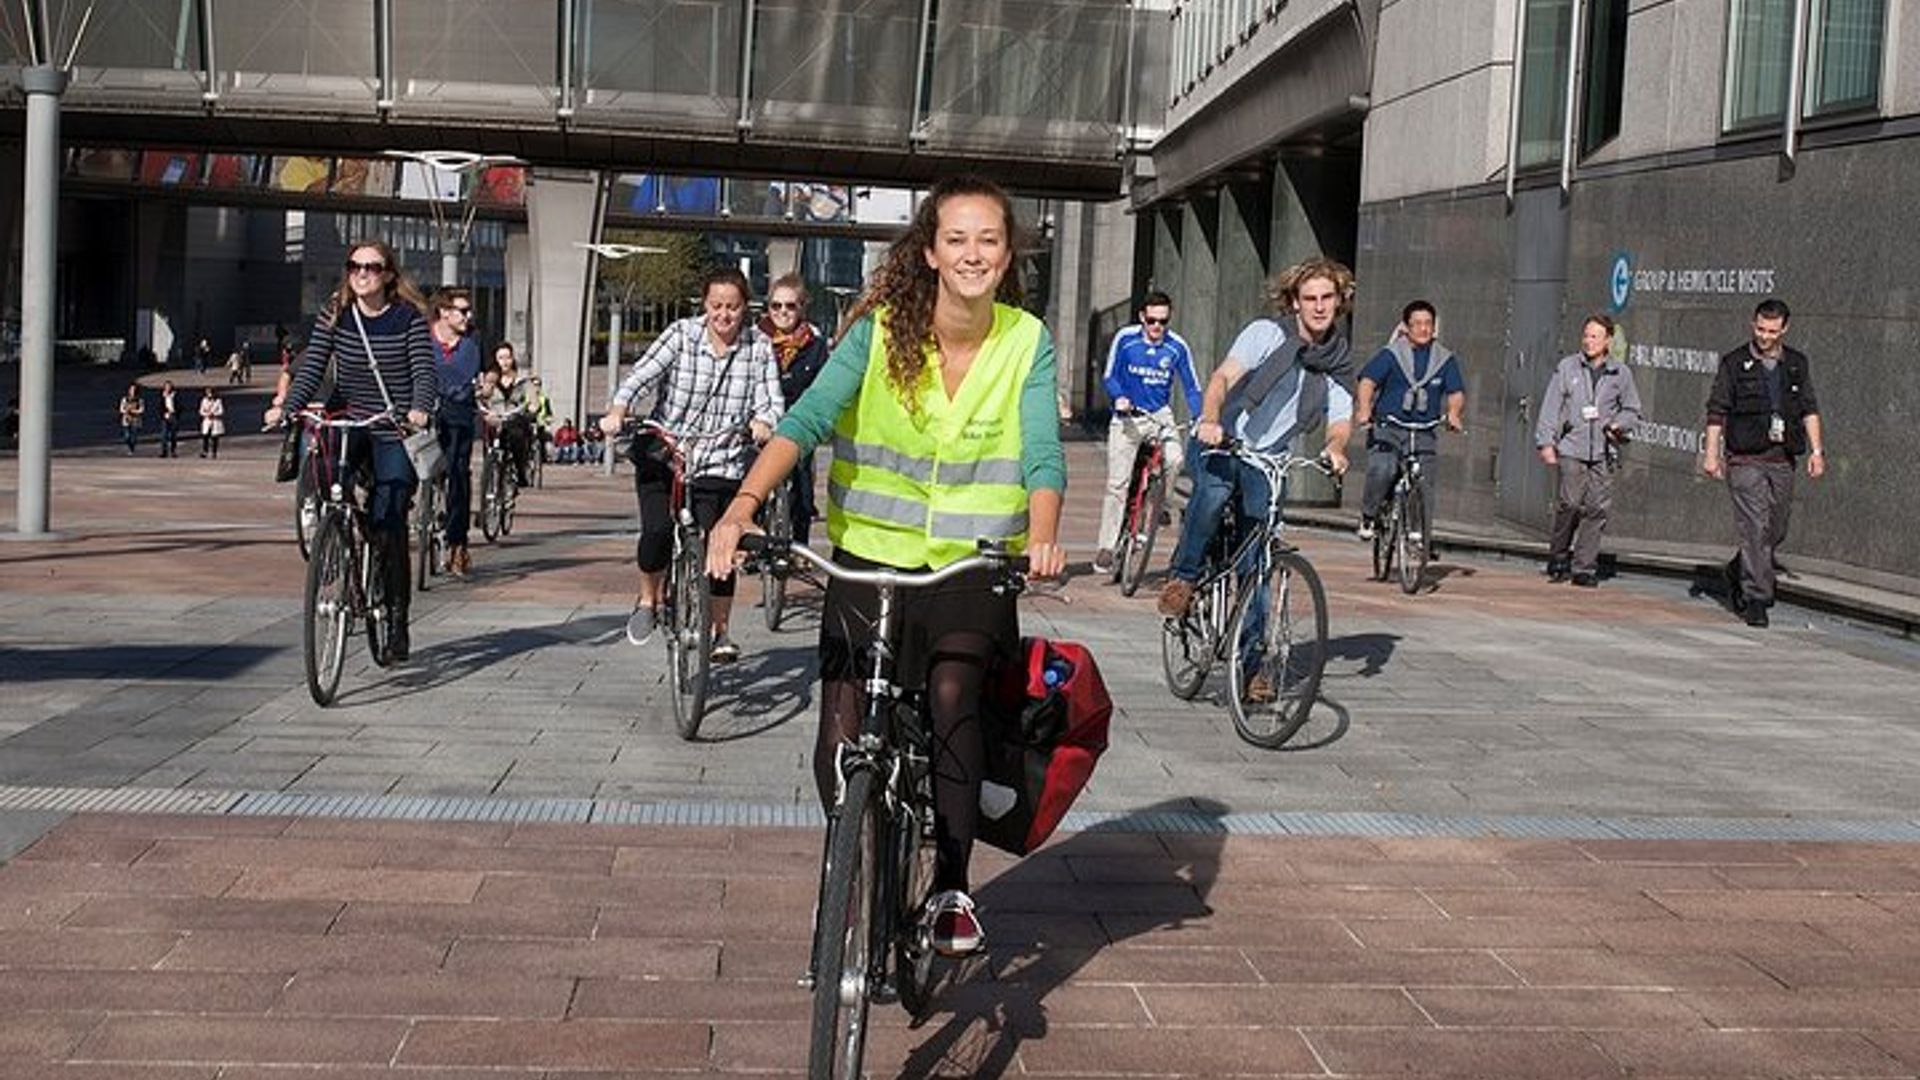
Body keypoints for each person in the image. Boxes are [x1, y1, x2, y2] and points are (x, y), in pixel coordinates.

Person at [707, 176, 1067, 957]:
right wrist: (742, 507)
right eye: (958, 239)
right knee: (837, 742)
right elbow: (806, 420)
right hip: (869, 558)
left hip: (971, 567)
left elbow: (1042, 448)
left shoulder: (1024, 340)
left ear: (1008, 256)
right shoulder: (876, 334)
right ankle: (850, 862)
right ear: (931, 252)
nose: (973, 254)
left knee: (950, 698)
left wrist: (1042, 534)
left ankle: (951, 886)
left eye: (989, 240)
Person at [1156, 258, 1356, 704]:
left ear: (1339, 302)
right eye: (1311, 299)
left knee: (1258, 566)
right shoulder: (1266, 334)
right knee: (1212, 494)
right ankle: (1185, 578)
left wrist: (1337, 449)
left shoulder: (1337, 362)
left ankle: (1252, 670)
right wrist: (1209, 419)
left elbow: (1341, 421)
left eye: (1327, 298)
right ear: (1295, 303)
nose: (1320, 307)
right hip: (1223, 438)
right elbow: (1222, 378)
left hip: (1268, 462)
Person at [599, 267, 783, 664]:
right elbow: (642, 376)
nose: (724, 316)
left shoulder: (759, 346)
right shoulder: (682, 334)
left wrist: (765, 422)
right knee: (657, 532)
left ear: (744, 308)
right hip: (667, 452)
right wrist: (618, 410)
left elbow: (771, 400)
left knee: (721, 545)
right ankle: (649, 599)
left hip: (721, 458)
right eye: (716, 306)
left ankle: (720, 631)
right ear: (705, 305)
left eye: (732, 307)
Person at [265, 240, 436, 662]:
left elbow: (423, 372)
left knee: (389, 514)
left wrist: (418, 408)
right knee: (329, 479)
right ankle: (336, 538)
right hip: (350, 415)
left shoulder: (408, 319)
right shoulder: (336, 315)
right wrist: (286, 409)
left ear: (389, 274)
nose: (362, 274)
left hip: (392, 422)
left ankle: (396, 617)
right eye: (355, 266)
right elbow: (313, 366)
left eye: (373, 268)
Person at [1702, 298, 1825, 628]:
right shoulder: (1734, 362)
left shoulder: (1797, 363)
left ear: (1784, 328)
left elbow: (1809, 409)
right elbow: (1717, 411)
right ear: (1752, 324)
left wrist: (1817, 451)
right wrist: (1711, 453)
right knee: (1754, 526)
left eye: (1772, 330)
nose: (1765, 335)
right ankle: (1756, 597)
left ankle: (1736, 569)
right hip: (1745, 457)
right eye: (1760, 328)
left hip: (1782, 458)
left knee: (1775, 528)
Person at [1094, 290, 1202, 575]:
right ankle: (1106, 546)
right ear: (1142, 317)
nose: (1157, 328)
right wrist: (1118, 397)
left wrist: (1200, 417)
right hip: (1128, 416)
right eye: (1152, 321)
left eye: (1163, 322)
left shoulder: (1177, 346)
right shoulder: (1126, 339)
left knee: (1176, 459)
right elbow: (1110, 374)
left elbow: (1191, 386)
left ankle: (1160, 505)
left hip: (1160, 415)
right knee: (1117, 484)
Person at [1534, 314, 1642, 588]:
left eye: (1595, 336)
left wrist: (1620, 425)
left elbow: (1632, 409)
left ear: (1607, 340)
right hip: (1572, 446)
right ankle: (1558, 556)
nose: (1589, 341)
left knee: (1596, 508)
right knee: (1569, 503)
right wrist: (1546, 442)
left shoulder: (1620, 373)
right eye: (1586, 335)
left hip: (1604, 450)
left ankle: (1584, 566)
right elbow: (1551, 406)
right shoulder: (1568, 367)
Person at [1352, 299, 1466, 541]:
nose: (1423, 329)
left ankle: (1418, 527)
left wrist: (1454, 414)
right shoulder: (1391, 355)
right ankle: (1369, 515)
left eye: (1428, 324)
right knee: (1383, 468)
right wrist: (1364, 409)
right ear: (1406, 327)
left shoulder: (1445, 359)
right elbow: (1368, 381)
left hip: (1423, 428)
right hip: (1389, 426)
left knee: (1424, 480)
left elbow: (1456, 392)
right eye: (1417, 324)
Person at [758, 272, 831, 543]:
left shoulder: (815, 345)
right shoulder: (756, 341)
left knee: (801, 486)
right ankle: (754, 541)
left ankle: (799, 544)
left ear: (801, 308)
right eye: (776, 306)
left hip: (799, 423)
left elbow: (823, 387)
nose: (783, 312)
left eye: (790, 306)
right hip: (762, 422)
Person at [428, 288, 482, 578]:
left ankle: (457, 543)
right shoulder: (423, 340)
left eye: (468, 310)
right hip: (425, 415)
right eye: (462, 310)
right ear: (444, 312)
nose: (467, 316)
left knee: (458, 475)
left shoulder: (470, 345)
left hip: (458, 418)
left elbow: (462, 379)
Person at [484, 342, 536, 488]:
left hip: (513, 418)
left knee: (517, 435)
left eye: (508, 357)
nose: (505, 362)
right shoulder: (491, 378)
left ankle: (520, 471)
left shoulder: (522, 379)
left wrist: (532, 407)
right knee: (488, 435)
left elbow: (532, 397)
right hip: (495, 418)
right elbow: (483, 396)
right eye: (501, 358)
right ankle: (489, 472)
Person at [198, 386, 226, 458]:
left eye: (210, 392)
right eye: (208, 392)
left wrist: (214, 414)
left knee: (214, 437)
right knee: (205, 436)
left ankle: (214, 452)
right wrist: (206, 414)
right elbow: (201, 411)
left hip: (215, 420)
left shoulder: (218, 401)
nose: (209, 394)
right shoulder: (204, 400)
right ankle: (205, 451)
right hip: (207, 420)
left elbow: (221, 411)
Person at [117, 383, 144, 454]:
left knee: (134, 436)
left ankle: (132, 448)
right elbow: (121, 409)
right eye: (131, 390)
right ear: (129, 391)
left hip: (135, 419)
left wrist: (133, 411)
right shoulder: (125, 399)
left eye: (134, 390)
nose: (133, 392)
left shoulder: (139, 400)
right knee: (127, 436)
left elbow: (141, 409)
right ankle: (130, 447)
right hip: (126, 419)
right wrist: (126, 411)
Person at [157, 381, 180, 458]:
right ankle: (164, 451)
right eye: (166, 387)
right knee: (164, 435)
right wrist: (164, 413)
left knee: (173, 435)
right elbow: (159, 407)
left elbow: (180, 406)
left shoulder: (175, 395)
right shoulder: (162, 396)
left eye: (169, 387)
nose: (168, 388)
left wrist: (175, 413)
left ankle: (173, 451)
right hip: (165, 417)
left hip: (173, 416)